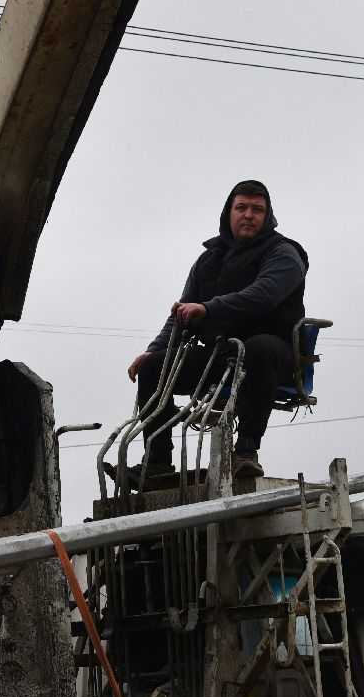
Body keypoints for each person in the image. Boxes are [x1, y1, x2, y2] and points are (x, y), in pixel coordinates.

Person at [123, 179, 308, 482]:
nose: (249, 215)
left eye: (257, 209)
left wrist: (209, 309)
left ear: (267, 216)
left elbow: (264, 294)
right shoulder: (208, 260)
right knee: (154, 368)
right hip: (219, 356)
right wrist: (154, 350)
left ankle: (246, 451)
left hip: (274, 355)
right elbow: (180, 313)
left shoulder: (284, 253)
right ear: (229, 213)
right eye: (242, 208)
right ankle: (157, 462)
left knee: (258, 347)